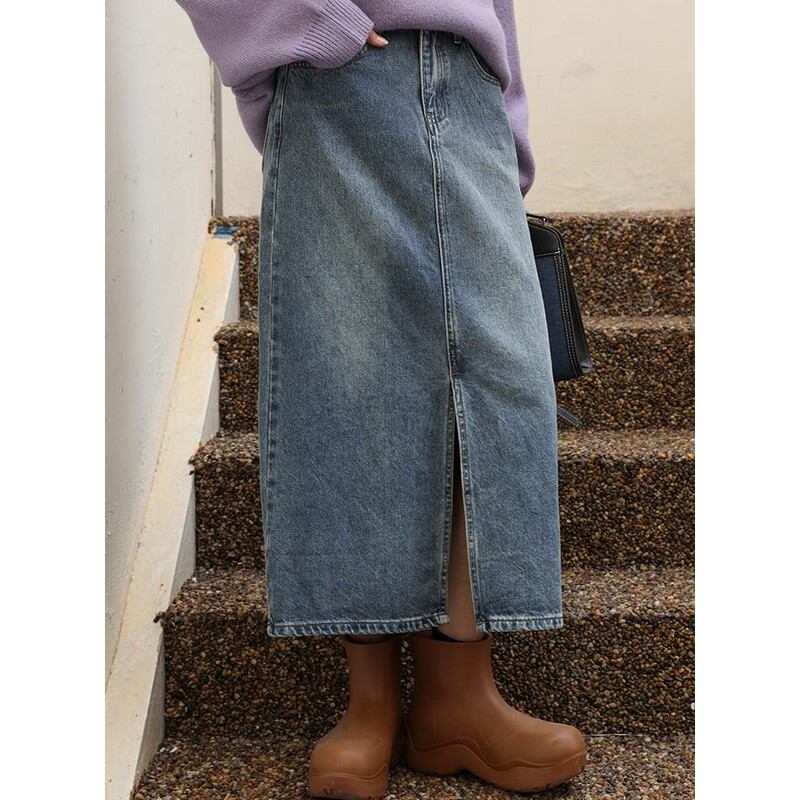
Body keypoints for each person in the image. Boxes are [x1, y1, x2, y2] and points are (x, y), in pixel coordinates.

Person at [174, 2, 586, 797]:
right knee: (351, 387)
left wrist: (507, 120)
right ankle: (370, 704)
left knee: (493, 387)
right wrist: (308, 21)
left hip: (469, 88)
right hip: (337, 82)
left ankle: (458, 698)